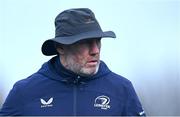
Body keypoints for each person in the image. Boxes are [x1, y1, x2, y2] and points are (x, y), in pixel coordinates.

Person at [0, 8, 146, 116]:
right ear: (61, 47)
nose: (95, 50)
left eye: (98, 41)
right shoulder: (24, 92)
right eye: (86, 42)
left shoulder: (122, 89)